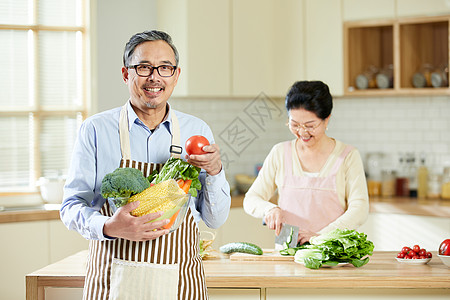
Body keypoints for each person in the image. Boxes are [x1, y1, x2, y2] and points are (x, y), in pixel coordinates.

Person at [60, 30, 231, 300]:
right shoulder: (95, 129)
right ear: (126, 74)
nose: (154, 77)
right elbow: (70, 207)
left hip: (179, 281)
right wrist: (108, 226)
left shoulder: (196, 130)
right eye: (143, 67)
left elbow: (215, 219)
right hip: (112, 280)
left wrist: (215, 171)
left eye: (165, 68)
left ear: (176, 75)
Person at [243, 80, 368, 247]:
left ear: (326, 120)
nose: (302, 132)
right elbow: (251, 198)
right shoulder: (280, 153)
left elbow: (359, 208)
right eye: (294, 124)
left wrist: (320, 236)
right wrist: (269, 209)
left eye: (310, 125)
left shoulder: (348, 156)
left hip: (331, 250)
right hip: (287, 251)